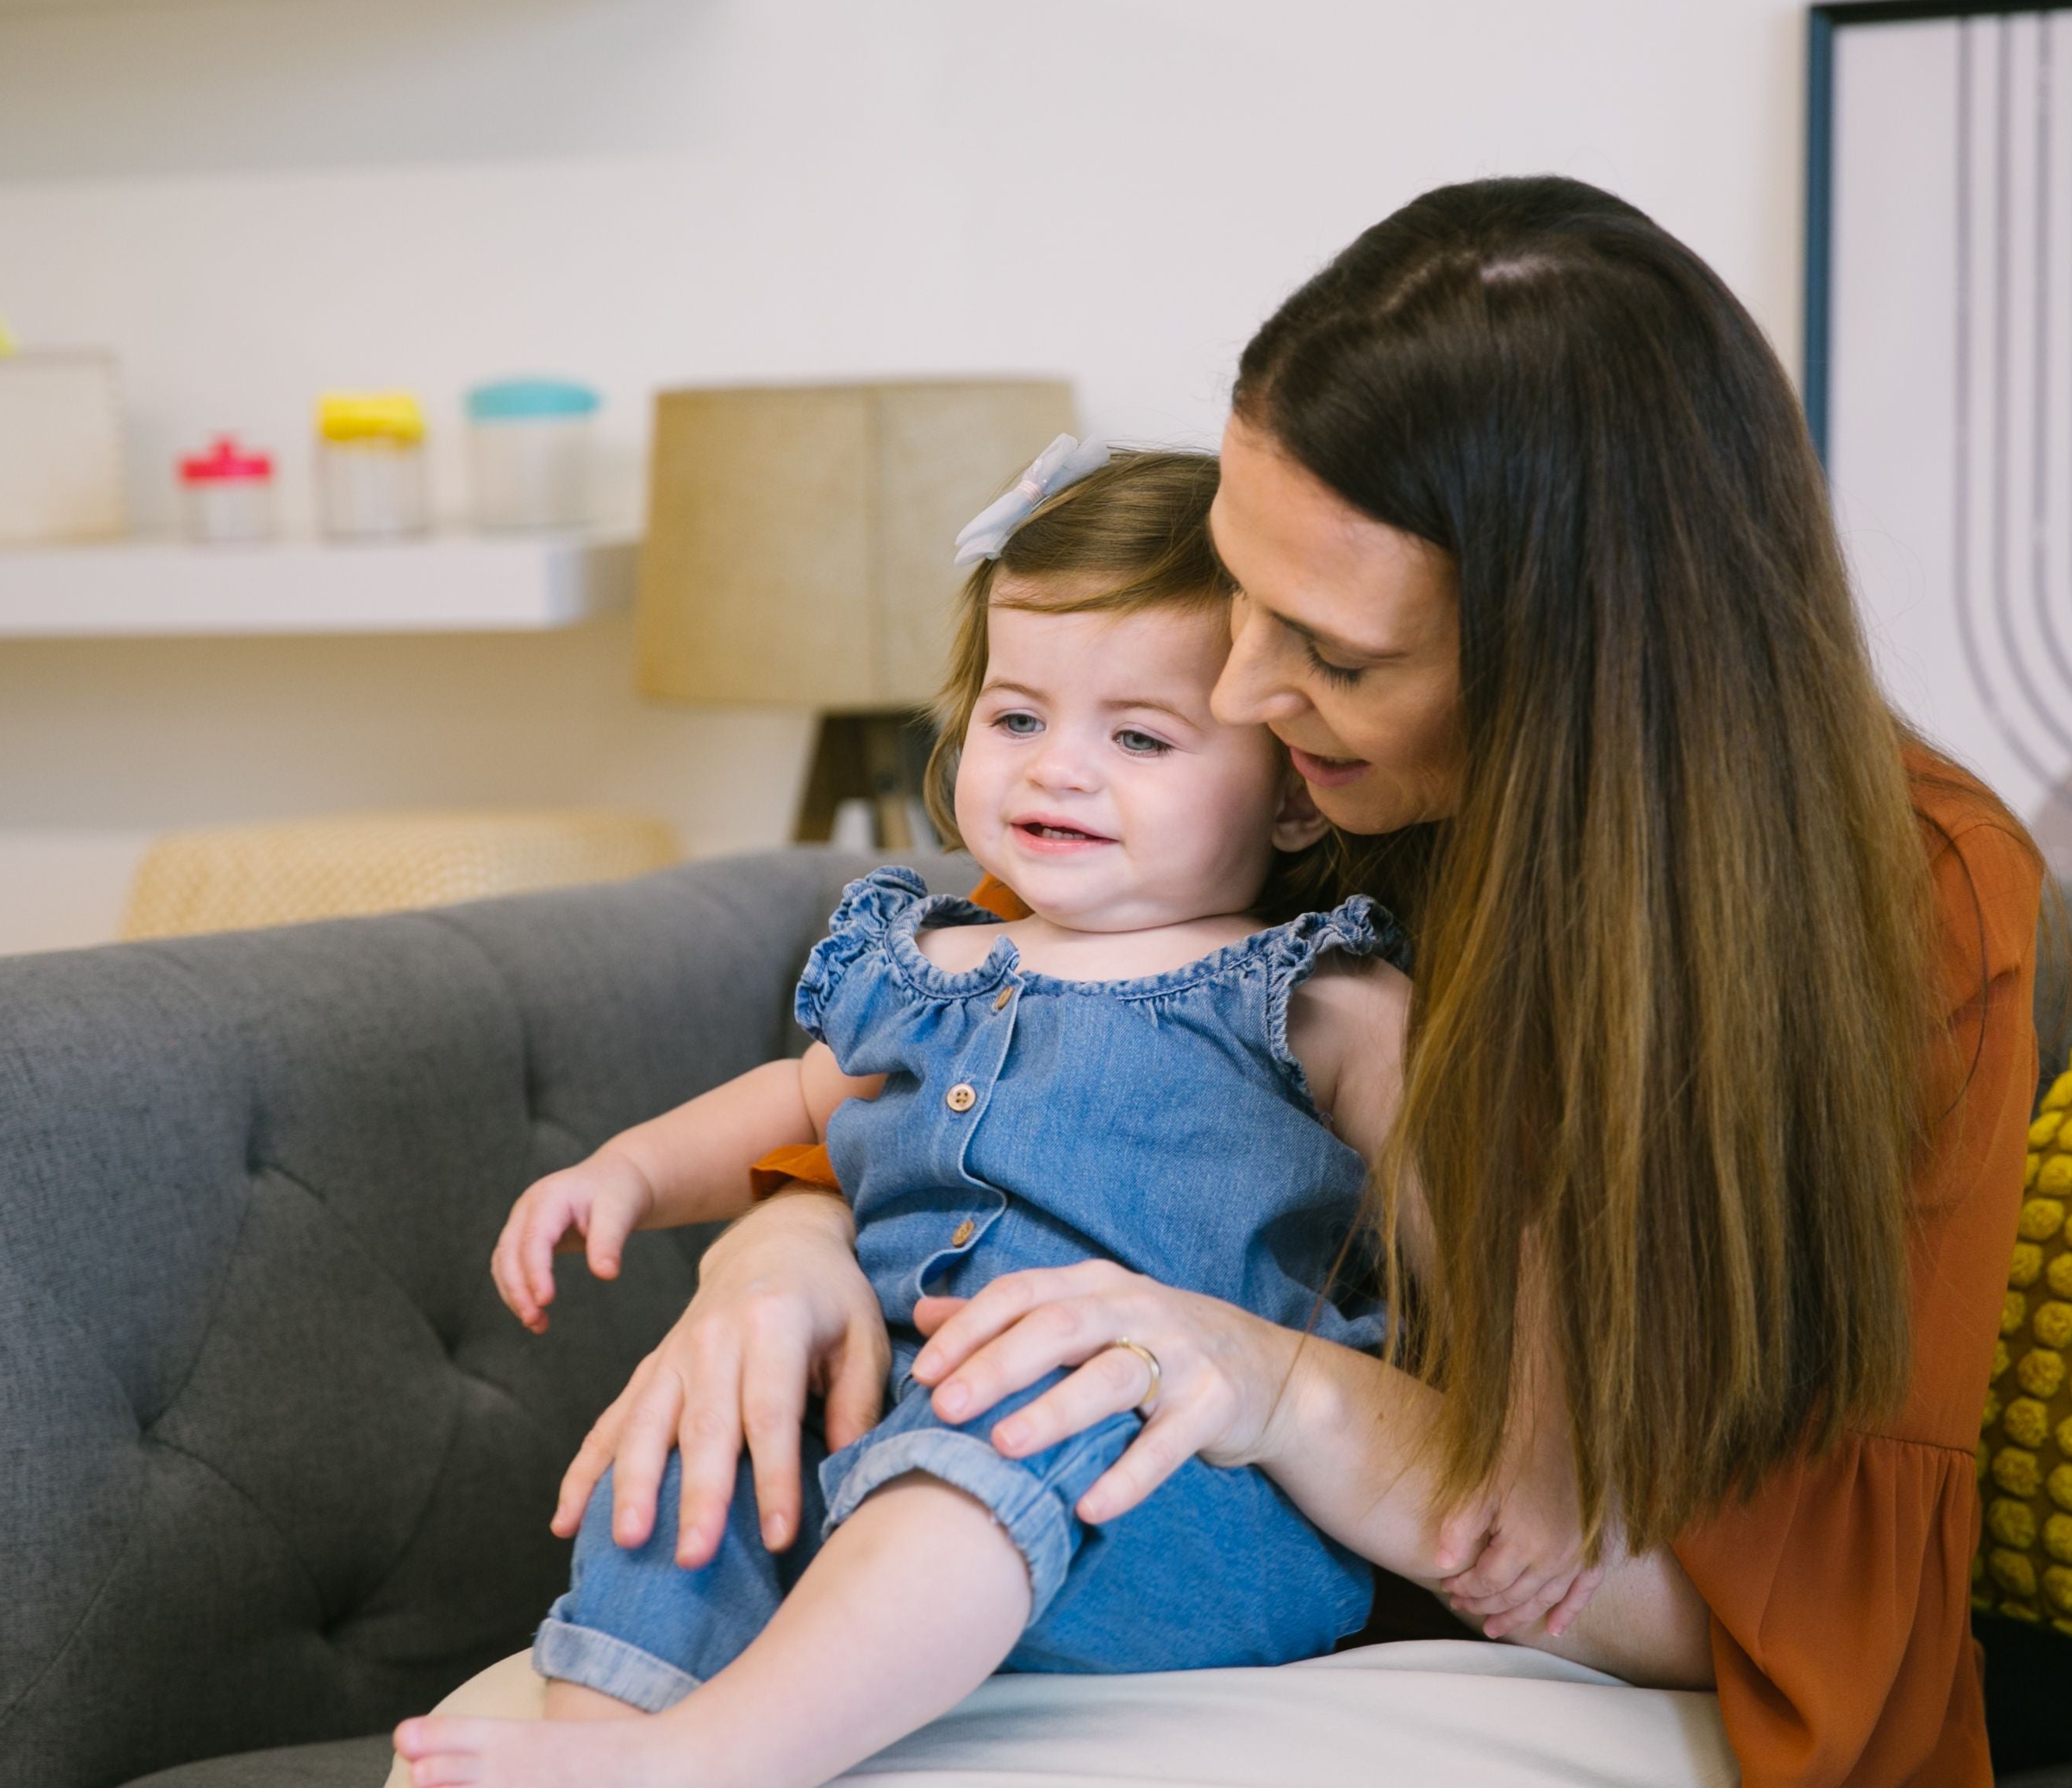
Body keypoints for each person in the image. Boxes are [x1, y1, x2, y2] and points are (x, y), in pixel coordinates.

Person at [501, 177, 2045, 1788]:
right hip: (1045, 1545)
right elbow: (986, 1073)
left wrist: (1275, 1388)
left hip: (1444, 1625)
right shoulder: (1266, 770)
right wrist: (776, 1255)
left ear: (1572, 672)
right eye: (1244, 593)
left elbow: (1749, 1611)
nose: (1241, 689)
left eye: (1338, 654)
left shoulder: (1908, 905)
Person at [395, 450, 1466, 1788]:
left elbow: (1479, 1279)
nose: (1057, 773)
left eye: (1138, 737)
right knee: (707, 1433)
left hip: (1171, 1497)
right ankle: (607, 1742)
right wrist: (625, 1171)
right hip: (894, 1458)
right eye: (1018, 719)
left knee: (1021, 1410)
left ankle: (714, 1758)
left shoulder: (1320, 1000)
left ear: (1298, 790)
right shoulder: (923, 962)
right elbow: (794, 1104)